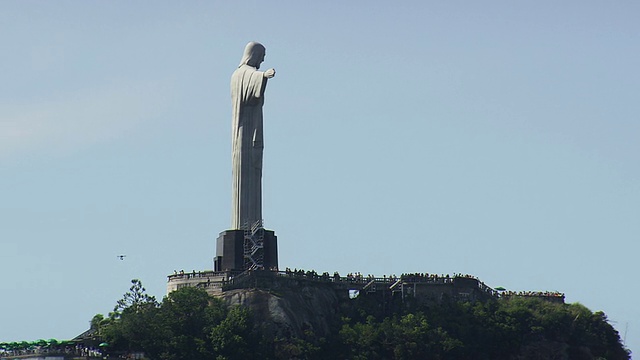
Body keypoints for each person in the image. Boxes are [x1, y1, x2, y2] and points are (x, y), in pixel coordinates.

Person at [230, 41, 276, 229]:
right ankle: (246, 225)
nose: (263, 59)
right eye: (261, 56)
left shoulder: (243, 73)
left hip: (252, 130)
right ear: (254, 54)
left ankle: (253, 224)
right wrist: (263, 76)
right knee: (245, 175)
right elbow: (249, 85)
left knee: (254, 173)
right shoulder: (240, 74)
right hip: (245, 134)